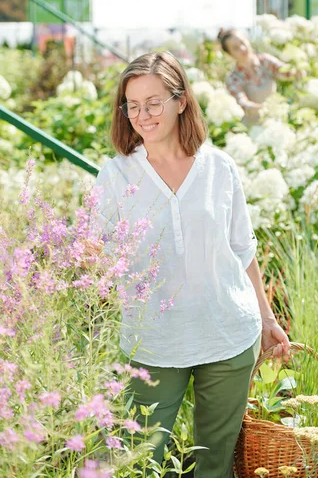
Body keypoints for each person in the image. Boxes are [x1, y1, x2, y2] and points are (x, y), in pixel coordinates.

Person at [95, 51, 290, 478]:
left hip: (226, 335)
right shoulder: (115, 176)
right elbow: (97, 256)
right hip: (154, 343)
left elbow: (242, 248)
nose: (142, 115)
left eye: (153, 102)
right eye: (132, 105)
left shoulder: (219, 167)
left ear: (181, 101)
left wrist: (266, 317)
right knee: (135, 458)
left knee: (215, 464)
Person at [218, 28, 293, 124]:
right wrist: (267, 108)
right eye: (235, 48)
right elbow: (242, 104)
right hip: (252, 128)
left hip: (274, 121)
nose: (242, 48)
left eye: (242, 42)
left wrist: (297, 69)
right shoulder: (233, 79)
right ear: (230, 54)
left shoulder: (265, 61)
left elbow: (286, 72)